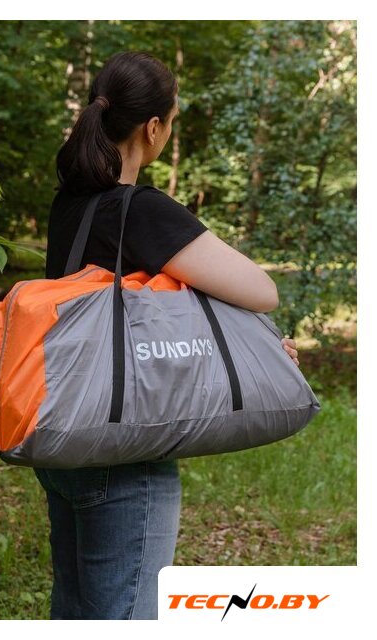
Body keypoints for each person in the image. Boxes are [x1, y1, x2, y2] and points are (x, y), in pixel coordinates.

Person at [34, 50, 299, 621]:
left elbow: (144, 317)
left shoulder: (71, 204)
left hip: (67, 433)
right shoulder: (142, 211)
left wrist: (250, 345)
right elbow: (261, 290)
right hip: (124, 450)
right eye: (172, 120)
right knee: (127, 615)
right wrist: (258, 341)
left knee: (74, 612)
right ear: (153, 128)